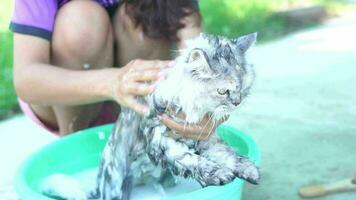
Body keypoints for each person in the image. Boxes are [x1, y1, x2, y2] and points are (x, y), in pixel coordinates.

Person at [10, 0, 220, 139]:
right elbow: (27, 79)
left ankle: (141, 137)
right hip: (66, 96)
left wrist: (206, 108)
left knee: (155, 13)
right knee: (81, 17)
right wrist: (112, 82)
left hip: (135, 98)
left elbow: (194, 47)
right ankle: (78, 144)